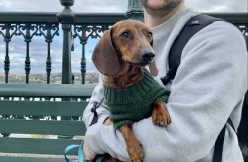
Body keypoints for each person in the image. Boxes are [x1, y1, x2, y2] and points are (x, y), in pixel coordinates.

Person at [82, 0, 248, 161]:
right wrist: (108, 124)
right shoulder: (115, 49)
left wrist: (96, 139)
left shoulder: (217, 38)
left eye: (147, 36)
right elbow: (95, 110)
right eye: (127, 35)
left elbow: (184, 140)